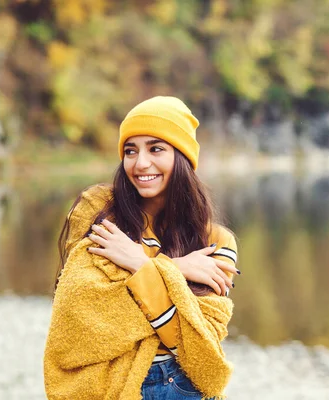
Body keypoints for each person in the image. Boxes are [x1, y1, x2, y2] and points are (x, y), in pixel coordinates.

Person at [44, 96, 240, 400]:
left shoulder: (216, 242)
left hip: (184, 386)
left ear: (183, 156)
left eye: (156, 148)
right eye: (130, 151)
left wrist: (140, 263)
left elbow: (197, 349)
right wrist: (175, 268)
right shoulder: (99, 211)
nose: (140, 163)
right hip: (110, 383)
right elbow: (81, 316)